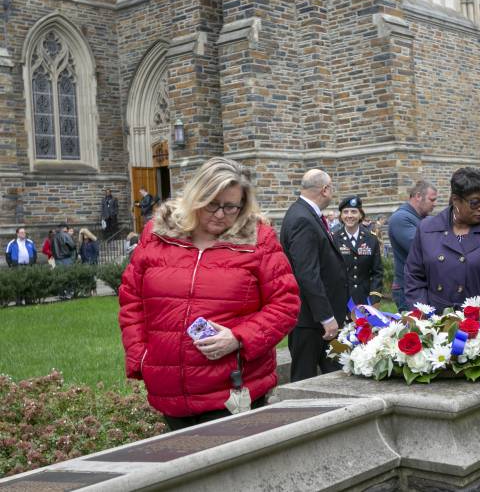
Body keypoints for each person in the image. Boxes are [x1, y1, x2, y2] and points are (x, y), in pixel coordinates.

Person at [119, 157, 299, 430]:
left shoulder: (258, 240)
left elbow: (285, 305)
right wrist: (142, 358)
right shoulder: (157, 236)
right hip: (169, 392)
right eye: (212, 204)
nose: (220, 214)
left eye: (230, 207)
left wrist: (239, 338)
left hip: (233, 389)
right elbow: (131, 301)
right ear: (195, 197)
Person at [405, 167, 480, 312]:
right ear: (456, 200)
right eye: (475, 202)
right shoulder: (427, 229)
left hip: (479, 326)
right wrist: (425, 318)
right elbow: (414, 278)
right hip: (433, 323)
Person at [280, 169, 348, 382]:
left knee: (336, 375)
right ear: (325, 189)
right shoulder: (302, 218)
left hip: (322, 319)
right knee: (305, 380)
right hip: (312, 322)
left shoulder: (307, 214)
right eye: (332, 187)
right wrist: (326, 317)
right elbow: (307, 274)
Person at [388, 180, 438, 311]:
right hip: (407, 288)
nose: (435, 204)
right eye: (432, 200)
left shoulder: (420, 218)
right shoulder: (401, 218)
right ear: (418, 196)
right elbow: (424, 248)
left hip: (419, 285)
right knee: (414, 329)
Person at [333, 196, 384, 306]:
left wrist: (374, 299)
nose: (349, 215)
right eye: (345, 212)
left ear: (361, 214)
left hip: (365, 300)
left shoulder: (371, 239)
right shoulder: (334, 239)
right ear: (341, 216)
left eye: (354, 212)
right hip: (341, 300)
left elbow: (377, 272)